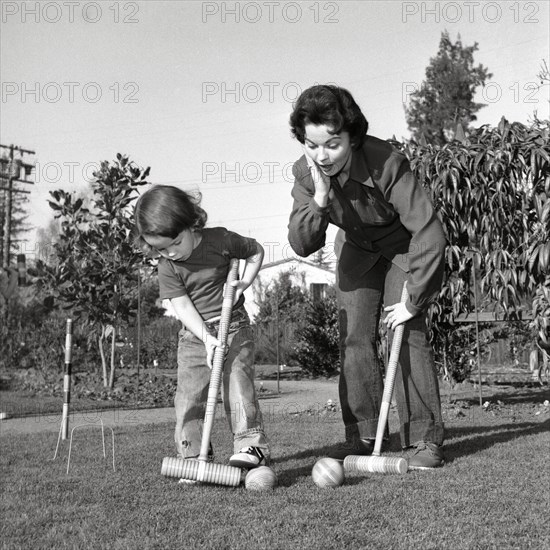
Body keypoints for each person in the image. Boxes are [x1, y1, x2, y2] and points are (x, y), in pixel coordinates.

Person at [287, 85, 447, 469]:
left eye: (332, 144)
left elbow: (429, 232)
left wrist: (414, 299)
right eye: (312, 145)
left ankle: (424, 439)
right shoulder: (306, 175)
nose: (321, 156)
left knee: (403, 330)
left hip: (403, 246)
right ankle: (364, 434)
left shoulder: (385, 161)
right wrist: (320, 201)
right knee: (354, 335)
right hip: (357, 248)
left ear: (352, 137)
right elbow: (301, 243)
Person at [133, 185, 270, 472]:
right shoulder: (167, 266)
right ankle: (193, 455)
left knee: (238, 385)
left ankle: (250, 445)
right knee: (189, 395)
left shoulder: (220, 240)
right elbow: (182, 306)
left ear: (190, 224)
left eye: (175, 243)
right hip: (195, 335)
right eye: (161, 249)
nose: (170, 252)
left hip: (234, 327)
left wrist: (244, 282)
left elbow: (255, 251)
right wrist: (206, 339)